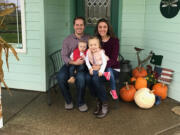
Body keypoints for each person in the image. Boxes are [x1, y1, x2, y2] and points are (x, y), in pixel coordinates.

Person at [56, 17, 89, 112]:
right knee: (60, 77)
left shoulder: (88, 38)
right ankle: (68, 100)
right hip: (69, 64)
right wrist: (74, 62)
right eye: (77, 25)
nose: (79, 27)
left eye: (81, 25)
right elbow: (64, 55)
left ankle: (81, 102)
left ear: (84, 26)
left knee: (81, 79)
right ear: (74, 26)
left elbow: (94, 50)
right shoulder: (67, 39)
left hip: (82, 66)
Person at [94, 18, 120, 100]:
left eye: (104, 27)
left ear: (108, 28)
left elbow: (114, 60)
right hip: (101, 69)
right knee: (95, 77)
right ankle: (103, 101)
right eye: (100, 27)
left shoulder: (115, 41)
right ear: (97, 29)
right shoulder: (95, 41)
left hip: (113, 69)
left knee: (100, 75)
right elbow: (91, 54)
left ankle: (102, 100)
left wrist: (100, 66)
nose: (102, 29)